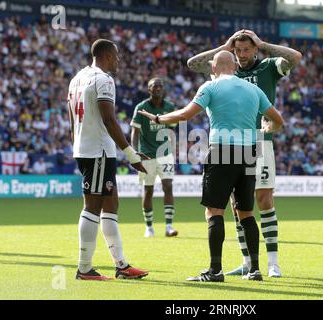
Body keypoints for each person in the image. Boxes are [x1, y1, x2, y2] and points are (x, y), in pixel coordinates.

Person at [138, 51, 284, 282]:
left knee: (214, 211)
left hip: (222, 151)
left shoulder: (211, 87)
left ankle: (215, 271)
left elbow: (185, 115)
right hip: (249, 153)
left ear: (214, 68)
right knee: (246, 213)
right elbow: (278, 120)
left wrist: (157, 119)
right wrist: (268, 129)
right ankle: (255, 269)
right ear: (235, 67)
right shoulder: (254, 90)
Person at [187, 29, 302, 278]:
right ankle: (247, 262)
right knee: (237, 205)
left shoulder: (269, 67)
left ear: (255, 49)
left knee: (263, 199)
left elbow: (295, 57)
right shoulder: (227, 72)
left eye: (246, 49)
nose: (241, 55)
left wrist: (263, 44)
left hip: (260, 141)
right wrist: (224, 45)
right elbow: (192, 63)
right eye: (237, 50)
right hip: (234, 145)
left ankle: (272, 262)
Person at [67, 39, 150, 281]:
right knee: (92, 207)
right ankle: (84, 269)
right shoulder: (103, 79)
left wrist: (77, 144)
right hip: (98, 152)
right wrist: (131, 154)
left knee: (110, 204)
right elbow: (109, 119)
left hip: (86, 149)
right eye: (116, 55)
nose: (119, 60)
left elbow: (72, 119)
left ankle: (121, 265)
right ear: (106, 56)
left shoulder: (76, 79)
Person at [130, 77, 178, 238]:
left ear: (163, 89)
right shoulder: (142, 107)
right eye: (154, 86)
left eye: (160, 86)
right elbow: (135, 132)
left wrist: (173, 149)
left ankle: (169, 226)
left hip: (165, 154)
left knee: (168, 186)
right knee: (148, 190)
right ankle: (149, 227)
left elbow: (172, 130)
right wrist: (134, 152)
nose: (157, 88)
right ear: (149, 89)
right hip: (146, 154)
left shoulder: (170, 106)